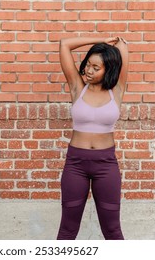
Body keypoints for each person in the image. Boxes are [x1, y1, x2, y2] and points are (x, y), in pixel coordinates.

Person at [56, 36, 128, 240]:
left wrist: (113, 46)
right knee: (68, 229)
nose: (89, 70)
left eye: (96, 68)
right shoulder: (78, 87)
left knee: (112, 229)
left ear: (109, 69)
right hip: (75, 164)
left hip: (106, 165)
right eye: (88, 64)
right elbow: (65, 44)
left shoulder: (117, 89)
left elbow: (123, 46)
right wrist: (100, 41)